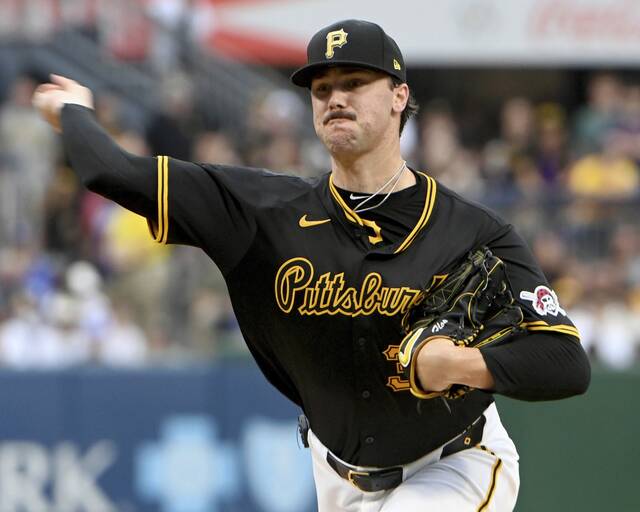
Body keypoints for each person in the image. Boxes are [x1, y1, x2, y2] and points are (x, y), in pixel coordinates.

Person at [33, 19, 590, 512]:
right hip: (337, 477)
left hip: (455, 463)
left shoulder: (473, 231)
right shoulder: (260, 212)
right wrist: (74, 111)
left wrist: (460, 364)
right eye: (321, 89)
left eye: (354, 83)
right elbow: (115, 173)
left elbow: (565, 361)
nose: (334, 98)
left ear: (399, 96)